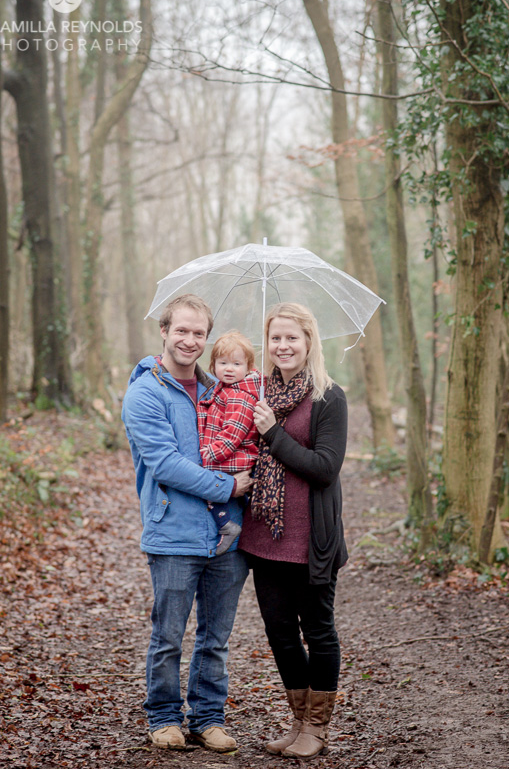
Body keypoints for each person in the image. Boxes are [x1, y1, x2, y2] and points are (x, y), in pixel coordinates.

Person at [121, 293, 252, 753]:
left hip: (228, 535)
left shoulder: (223, 390)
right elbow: (166, 464)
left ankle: (208, 718)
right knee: (169, 635)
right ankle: (162, 717)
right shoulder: (145, 393)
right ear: (164, 331)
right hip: (174, 531)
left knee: (215, 638)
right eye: (182, 330)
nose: (190, 340)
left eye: (199, 333)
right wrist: (228, 487)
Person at [238, 302, 348, 759]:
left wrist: (273, 434)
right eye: (275, 338)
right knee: (279, 632)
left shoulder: (328, 396)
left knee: (317, 631)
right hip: (265, 536)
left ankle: (318, 729)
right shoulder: (257, 392)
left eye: (291, 338)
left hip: (310, 542)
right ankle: (299, 720)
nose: (282, 346)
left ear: (308, 342)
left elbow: (325, 468)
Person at [197, 330, 261, 555]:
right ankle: (225, 523)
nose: (229, 368)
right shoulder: (223, 390)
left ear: (249, 367)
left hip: (232, 457)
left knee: (202, 480)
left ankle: (226, 525)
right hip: (225, 455)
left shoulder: (239, 396)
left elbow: (231, 437)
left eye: (236, 363)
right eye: (223, 363)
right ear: (213, 366)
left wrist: (203, 457)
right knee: (205, 483)